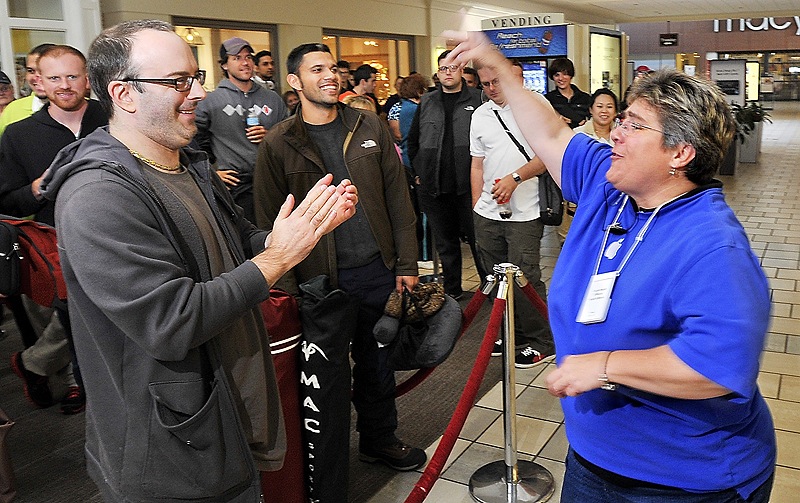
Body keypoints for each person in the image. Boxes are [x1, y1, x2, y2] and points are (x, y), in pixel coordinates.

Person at [444, 32, 775, 503]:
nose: (615, 131)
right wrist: (498, 67)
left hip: (683, 481)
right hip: (593, 458)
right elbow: (553, 134)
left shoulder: (713, 248)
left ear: (680, 155)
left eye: (634, 126)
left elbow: (719, 368)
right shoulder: (611, 186)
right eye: (621, 118)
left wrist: (603, 366)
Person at [41, 20, 356, 503]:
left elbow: (234, 243)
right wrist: (278, 257)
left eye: (197, 76)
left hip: (225, 415)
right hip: (170, 450)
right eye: (179, 82)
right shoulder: (98, 196)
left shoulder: (187, 163)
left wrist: (297, 233)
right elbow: (173, 319)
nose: (200, 93)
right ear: (124, 94)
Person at [253, 43, 425, 475]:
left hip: (375, 271)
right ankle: (326, 462)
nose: (330, 75)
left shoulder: (370, 125)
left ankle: (378, 439)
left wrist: (406, 265)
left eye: (333, 67)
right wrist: (286, 290)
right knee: (324, 379)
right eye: (317, 69)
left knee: (377, 366)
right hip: (318, 283)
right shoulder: (278, 144)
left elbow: (398, 202)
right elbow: (269, 224)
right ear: (294, 82)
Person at [0, 44, 107, 415]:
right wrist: (35, 188)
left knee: (94, 312)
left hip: (118, 234)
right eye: (55, 77)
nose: (65, 85)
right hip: (56, 243)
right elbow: (7, 200)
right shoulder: (18, 134)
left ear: (87, 78)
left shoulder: (114, 117)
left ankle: (36, 365)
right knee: (74, 311)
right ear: (38, 82)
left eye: (72, 76)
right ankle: (76, 381)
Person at [470, 64, 554, 368]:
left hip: (526, 211)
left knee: (525, 276)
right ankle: (511, 333)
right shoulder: (480, 115)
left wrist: (515, 178)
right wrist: (477, 203)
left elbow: (546, 157)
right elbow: (477, 164)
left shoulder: (535, 105)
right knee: (495, 279)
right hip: (488, 213)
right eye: (485, 84)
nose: (492, 88)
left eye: (497, 82)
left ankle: (542, 340)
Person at [407, 50, 486, 299]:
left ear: (462, 70)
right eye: (443, 69)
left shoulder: (478, 99)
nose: (448, 73)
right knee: (446, 245)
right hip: (435, 187)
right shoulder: (428, 102)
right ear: (438, 73)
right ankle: (452, 293)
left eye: (453, 68)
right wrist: (420, 172)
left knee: (479, 242)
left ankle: (489, 292)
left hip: (470, 186)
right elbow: (413, 142)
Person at [195, 37, 287, 222]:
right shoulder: (210, 101)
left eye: (248, 57)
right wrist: (209, 172)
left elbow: (290, 138)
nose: (245, 62)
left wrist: (271, 136)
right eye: (237, 58)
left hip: (271, 180)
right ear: (224, 65)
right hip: (236, 185)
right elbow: (192, 143)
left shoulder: (272, 98)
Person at [558, 88, 619, 244]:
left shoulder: (622, 137)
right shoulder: (577, 136)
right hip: (580, 205)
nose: (604, 111)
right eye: (599, 106)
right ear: (591, 109)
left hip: (613, 206)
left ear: (616, 111)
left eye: (609, 106)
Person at [0, 44, 55, 136]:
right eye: (31, 71)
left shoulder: (84, 108)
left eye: (43, 70)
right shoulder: (13, 109)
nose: (37, 77)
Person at [545, 57, 591, 129]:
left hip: (581, 138)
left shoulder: (585, 98)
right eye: (557, 75)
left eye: (565, 74)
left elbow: (591, 123)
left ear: (571, 75)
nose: (561, 78)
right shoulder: (547, 100)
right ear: (552, 77)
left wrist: (572, 122)